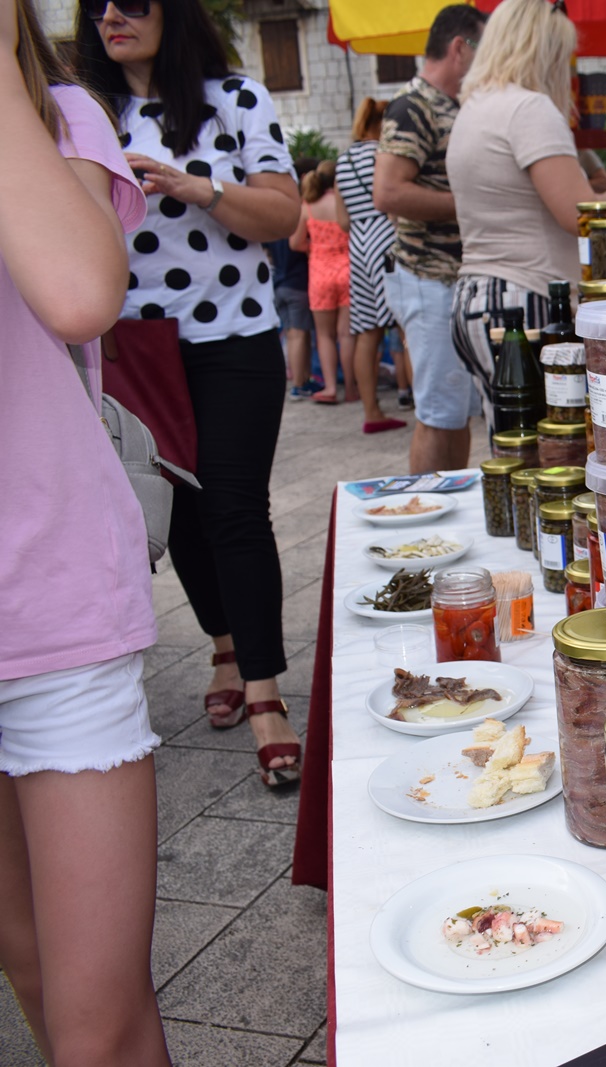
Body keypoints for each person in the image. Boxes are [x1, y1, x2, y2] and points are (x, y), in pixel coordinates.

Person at [0, 0, 170, 1061]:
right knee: (30, 967)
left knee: (95, 1023)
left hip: (49, 597)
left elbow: (77, 295)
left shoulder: (57, 113)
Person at [76, 0, 304, 787]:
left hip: (235, 336)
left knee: (235, 506)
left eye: (133, 2)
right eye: (96, 4)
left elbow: (282, 214)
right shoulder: (80, 110)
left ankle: (265, 692)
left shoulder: (234, 98)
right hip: (131, 348)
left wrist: (198, 187)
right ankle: (225, 646)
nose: (112, 15)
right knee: (180, 516)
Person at [446, 0, 606, 430]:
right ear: (545, 52)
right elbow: (576, 214)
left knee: (512, 439)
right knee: (557, 440)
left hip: (478, 296)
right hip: (528, 295)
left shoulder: (475, 106)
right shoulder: (529, 109)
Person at [374, 3, 485, 474]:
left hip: (450, 281)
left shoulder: (452, 104)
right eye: (483, 48)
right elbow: (388, 192)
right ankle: (423, 506)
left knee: (455, 412)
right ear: (459, 47)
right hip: (427, 276)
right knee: (439, 413)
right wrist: (472, 205)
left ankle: (453, 502)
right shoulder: (413, 105)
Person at [335, 97, 406, 431]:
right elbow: (393, 201)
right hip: (387, 238)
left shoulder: (343, 160)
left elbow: (342, 221)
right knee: (407, 327)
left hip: (359, 246)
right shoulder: (383, 154)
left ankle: (371, 412)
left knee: (367, 332)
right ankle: (424, 407)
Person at [291, 160, 360, 412]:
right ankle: (351, 387)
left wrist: (314, 248)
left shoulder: (307, 206)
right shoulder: (344, 204)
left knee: (324, 335)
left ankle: (330, 387)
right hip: (348, 270)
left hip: (320, 273)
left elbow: (295, 243)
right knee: (346, 334)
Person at [269, 159, 318, 399]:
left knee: (293, 333)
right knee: (299, 334)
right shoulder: (299, 212)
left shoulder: (276, 218)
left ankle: (303, 379)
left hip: (279, 282)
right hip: (297, 282)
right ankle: (299, 384)